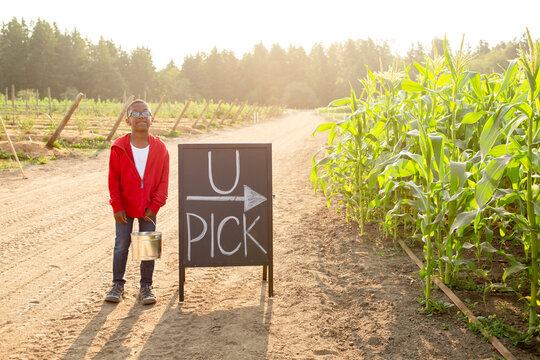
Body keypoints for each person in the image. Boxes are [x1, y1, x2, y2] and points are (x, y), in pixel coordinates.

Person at [105, 99, 169, 305]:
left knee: (147, 245)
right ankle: (117, 285)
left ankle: (146, 287)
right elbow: (113, 179)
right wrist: (117, 206)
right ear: (127, 121)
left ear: (152, 119)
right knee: (121, 243)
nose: (141, 116)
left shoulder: (160, 148)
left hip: (149, 207)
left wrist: (155, 206)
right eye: (136, 113)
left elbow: (163, 180)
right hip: (124, 207)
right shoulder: (119, 147)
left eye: (145, 112)